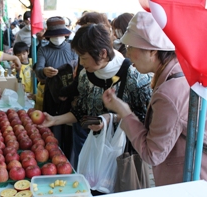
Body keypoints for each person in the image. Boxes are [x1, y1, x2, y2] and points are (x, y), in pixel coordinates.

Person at [102, 12, 207, 186]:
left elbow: (151, 154)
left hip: (187, 182)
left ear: (152, 51)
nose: (127, 55)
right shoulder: (181, 72)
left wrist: (124, 112)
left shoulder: (169, 93)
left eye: (130, 48)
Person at [40, 23, 152, 180]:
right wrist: (54, 120)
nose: (81, 63)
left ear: (103, 53)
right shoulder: (86, 76)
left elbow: (145, 118)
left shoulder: (135, 77)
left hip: (122, 155)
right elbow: (81, 111)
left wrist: (110, 119)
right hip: (91, 148)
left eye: (84, 58)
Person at [35, 16, 78, 160]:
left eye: (60, 35)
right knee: (52, 129)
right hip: (51, 95)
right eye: (54, 35)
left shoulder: (72, 48)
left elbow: (78, 68)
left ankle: (68, 160)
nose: (57, 38)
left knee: (69, 129)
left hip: (70, 94)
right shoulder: (43, 50)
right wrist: (44, 71)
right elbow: (39, 69)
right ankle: (53, 156)